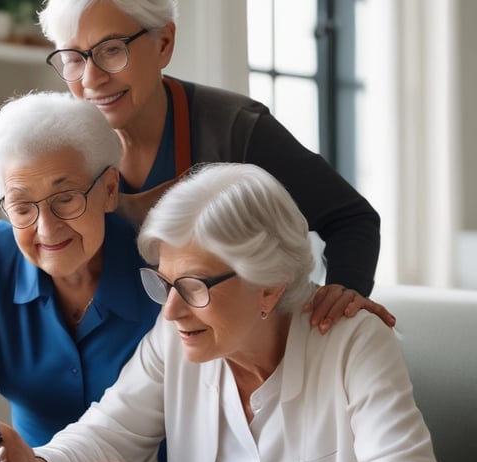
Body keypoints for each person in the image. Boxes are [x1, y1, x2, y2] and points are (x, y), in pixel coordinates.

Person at [0, 163, 449, 462]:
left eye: (194, 285)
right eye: (165, 283)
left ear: (270, 286)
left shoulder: (353, 341)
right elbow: (107, 434)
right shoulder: (177, 338)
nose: (171, 311)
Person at [37, 0, 396, 331]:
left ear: (164, 43)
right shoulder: (70, 149)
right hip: (132, 359)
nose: (90, 79)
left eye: (112, 50)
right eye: (73, 58)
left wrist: (342, 294)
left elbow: (352, 220)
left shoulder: (235, 129)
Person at [0, 91, 160, 447]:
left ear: (108, 189)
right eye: (22, 206)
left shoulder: (158, 260)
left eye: (66, 198)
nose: (46, 228)